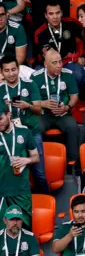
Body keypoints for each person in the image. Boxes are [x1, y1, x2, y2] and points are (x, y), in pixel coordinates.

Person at [0, 56, 45, 194]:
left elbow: (39, 110)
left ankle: (45, 200)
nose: (11, 73)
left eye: (13, 69)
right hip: (8, 136)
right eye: (7, 70)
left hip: (31, 132)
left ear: (18, 69)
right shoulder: (0, 90)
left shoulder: (29, 84)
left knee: (39, 173)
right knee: (9, 173)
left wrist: (28, 106)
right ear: (2, 72)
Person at [31, 49, 79, 174]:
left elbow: (74, 96)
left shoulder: (68, 74)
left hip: (62, 113)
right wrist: (43, 103)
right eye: (54, 63)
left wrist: (67, 107)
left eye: (60, 62)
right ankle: (39, 163)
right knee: (36, 128)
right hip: (43, 114)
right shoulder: (36, 77)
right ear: (46, 64)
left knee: (73, 127)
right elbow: (29, 101)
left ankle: (71, 164)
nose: (59, 66)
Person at [33, 3, 85, 92]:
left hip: (68, 62)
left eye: (57, 13)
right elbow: (38, 56)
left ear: (61, 13)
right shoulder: (40, 33)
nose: (55, 17)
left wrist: (84, 56)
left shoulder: (71, 24)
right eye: (51, 14)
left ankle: (72, 99)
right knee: (36, 76)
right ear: (46, 15)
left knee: (78, 74)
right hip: (48, 64)